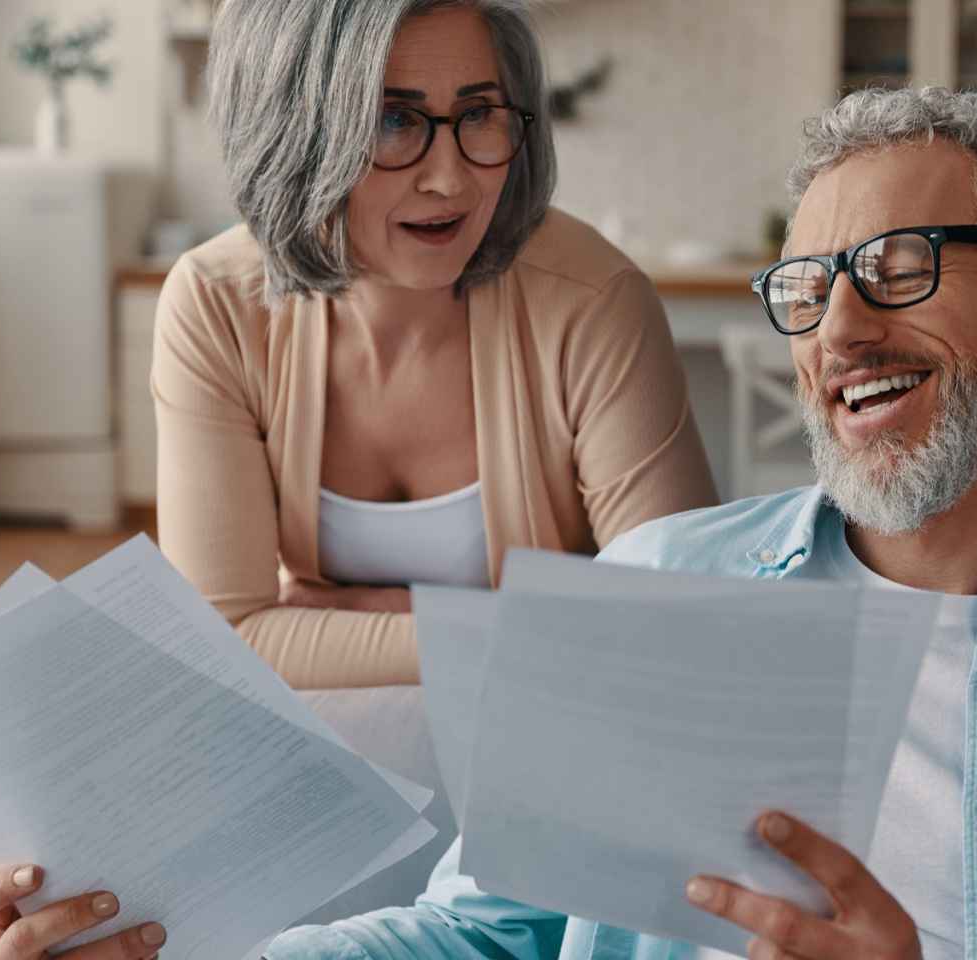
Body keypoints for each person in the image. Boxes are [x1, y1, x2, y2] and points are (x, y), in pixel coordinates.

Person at [0, 87, 977, 959]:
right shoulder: (666, 583)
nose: (839, 330)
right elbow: (481, 937)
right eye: (804, 289)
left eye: (897, 271)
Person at [151, 0, 716, 691]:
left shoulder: (594, 301)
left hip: (548, 737)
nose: (451, 180)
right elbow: (222, 642)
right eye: (394, 120)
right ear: (293, 133)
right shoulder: (216, 302)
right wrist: (514, 627)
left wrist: (371, 619)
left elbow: (679, 630)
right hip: (338, 748)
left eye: (478, 114)